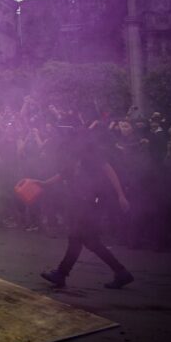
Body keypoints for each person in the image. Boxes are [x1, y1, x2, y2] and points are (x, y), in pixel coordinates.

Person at [39, 122, 134, 289]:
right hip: (80, 204)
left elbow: (109, 171)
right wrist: (41, 183)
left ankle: (61, 274)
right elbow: (61, 175)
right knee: (90, 242)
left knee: (77, 237)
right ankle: (121, 272)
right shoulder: (73, 157)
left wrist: (121, 195)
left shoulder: (91, 155)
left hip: (92, 203)